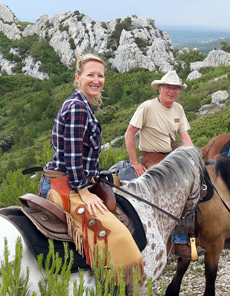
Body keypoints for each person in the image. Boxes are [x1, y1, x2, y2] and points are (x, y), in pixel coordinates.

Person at [39, 51, 144, 284]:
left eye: (101, 75)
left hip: (74, 178)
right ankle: (115, 283)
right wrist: (83, 191)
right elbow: (73, 153)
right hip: (67, 182)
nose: (96, 80)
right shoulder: (77, 107)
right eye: (90, 75)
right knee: (118, 236)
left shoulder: (83, 105)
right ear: (78, 78)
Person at [125, 70, 205, 259]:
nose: (172, 91)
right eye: (168, 87)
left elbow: (184, 137)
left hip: (174, 157)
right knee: (176, 190)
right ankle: (178, 242)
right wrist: (135, 162)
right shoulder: (147, 107)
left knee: (195, 187)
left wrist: (196, 159)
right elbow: (129, 134)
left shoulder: (178, 109)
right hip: (152, 157)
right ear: (160, 88)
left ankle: (191, 236)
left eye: (175, 88)